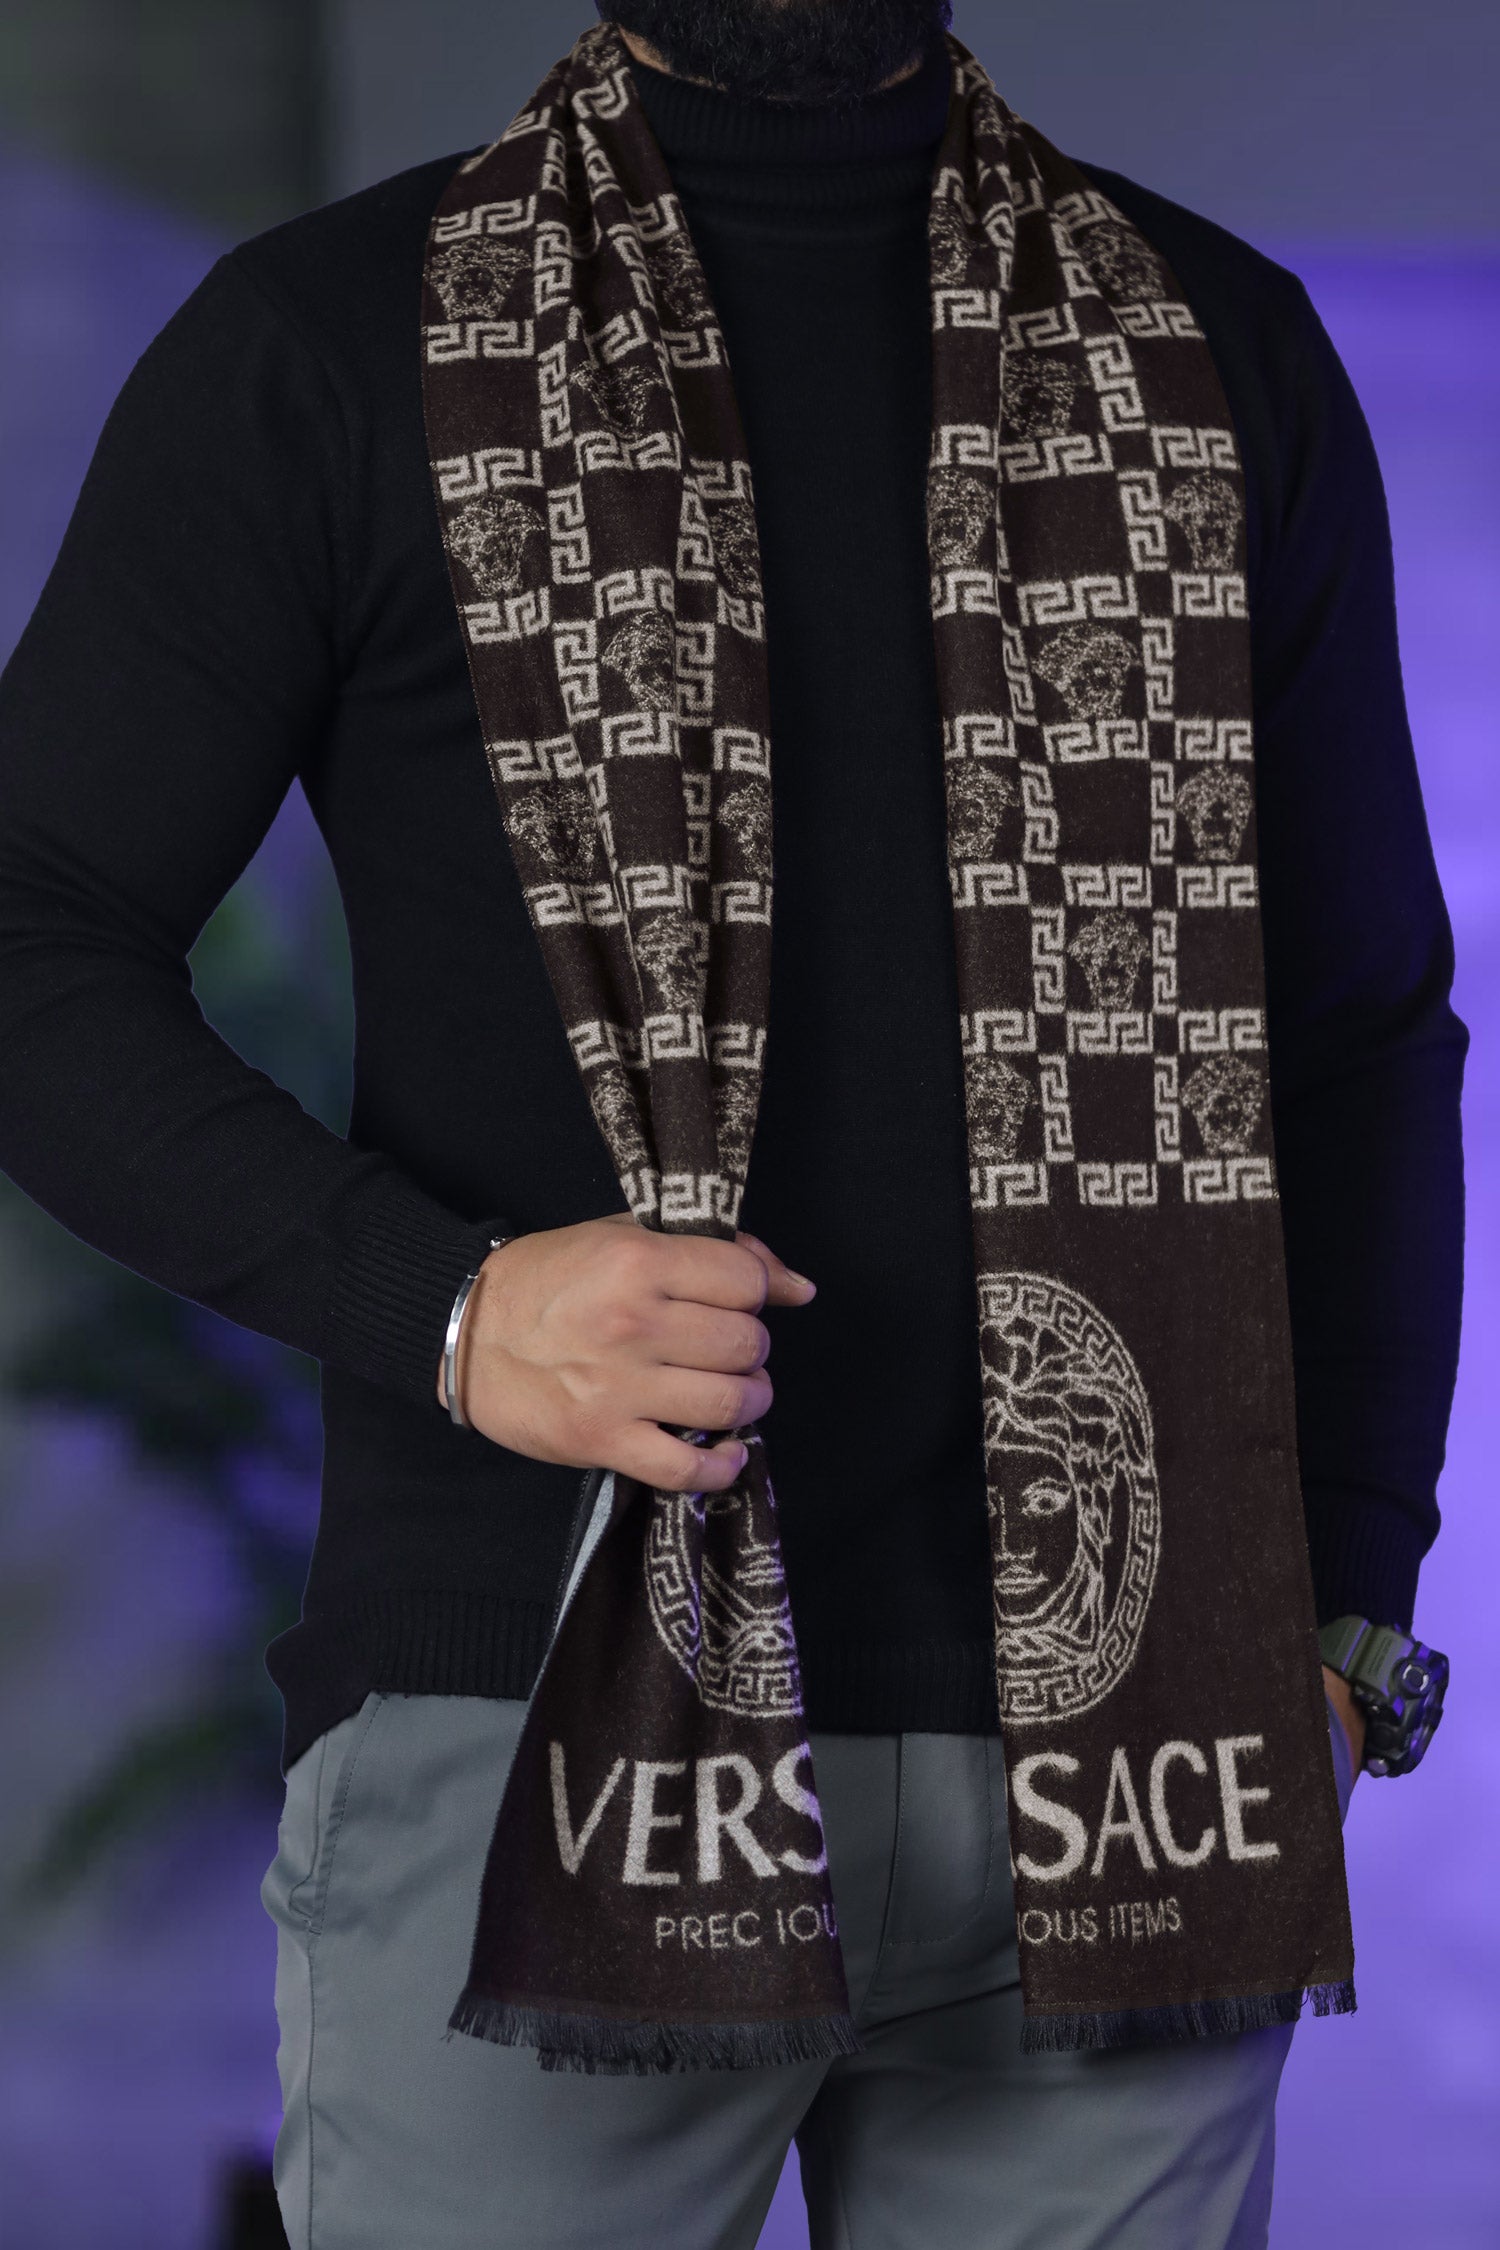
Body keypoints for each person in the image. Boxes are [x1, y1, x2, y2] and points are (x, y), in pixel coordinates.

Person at [0, 0, 1466, 2243]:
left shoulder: (1219, 350)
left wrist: (1349, 1616)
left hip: (1138, 1768)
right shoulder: (334, 340)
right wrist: (454, 1308)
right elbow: (32, 929)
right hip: (534, 1722)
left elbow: (1356, 1026)